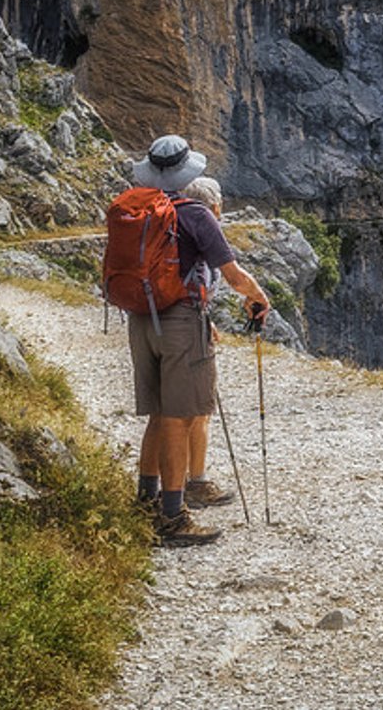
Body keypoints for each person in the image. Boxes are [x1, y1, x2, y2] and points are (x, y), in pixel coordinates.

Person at [124, 135, 269, 546]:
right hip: (181, 324)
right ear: (187, 172)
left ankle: (146, 498)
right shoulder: (195, 214)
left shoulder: (139, 211)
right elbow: (233, 275)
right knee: (180, 417)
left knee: (158, 413)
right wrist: (259, 299)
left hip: (140, 322)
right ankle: (172, 517)